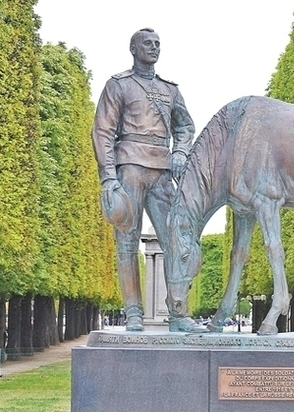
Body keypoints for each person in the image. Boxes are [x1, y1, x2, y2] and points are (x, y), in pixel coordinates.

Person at [92, 28, 205, 333]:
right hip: (129, 165)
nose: (154, 48)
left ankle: (179, 314)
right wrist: (109, 177)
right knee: (127, 243)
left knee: (176, 241)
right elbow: (103, 132)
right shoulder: (119, 85)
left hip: (162, 170)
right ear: (133, 49)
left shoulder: (170, 90)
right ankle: (133, 313)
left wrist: (180, 151)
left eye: (157, 44)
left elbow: (185, 126)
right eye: (148, 44)